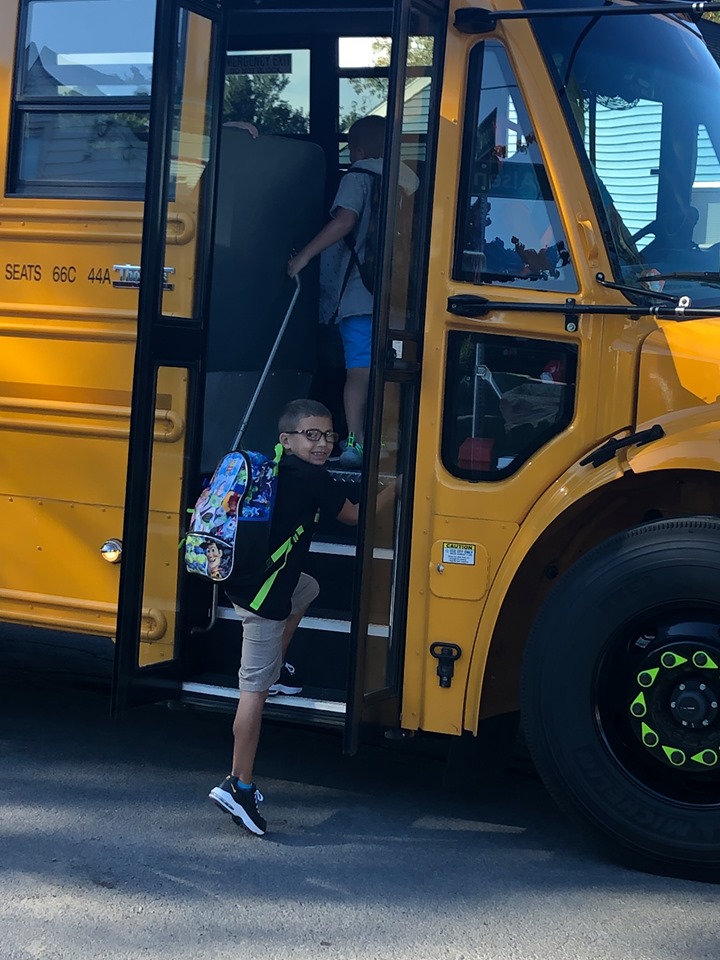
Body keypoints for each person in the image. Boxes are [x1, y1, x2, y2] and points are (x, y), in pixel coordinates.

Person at [208, 398, 396, 835]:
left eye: (329, 435)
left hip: (243, 579)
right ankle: (238, 785)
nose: (322, 444)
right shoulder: (313, 479)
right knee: (251, 693)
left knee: (308, 587)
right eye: (311, 435)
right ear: (287, 439)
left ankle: (276, 669)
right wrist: (398, 485)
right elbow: (354, 517)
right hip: (264, 600)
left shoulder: (274, 466)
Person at [287, 116, 418, 468]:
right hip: (400, 298)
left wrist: (303, 257)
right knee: (392, 369)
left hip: (361, 296)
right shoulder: (410, 180)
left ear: (357, 149)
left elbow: (344, 222)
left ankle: (356, 442)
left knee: (359, 372)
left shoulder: (358, 177)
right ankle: (389, 439)